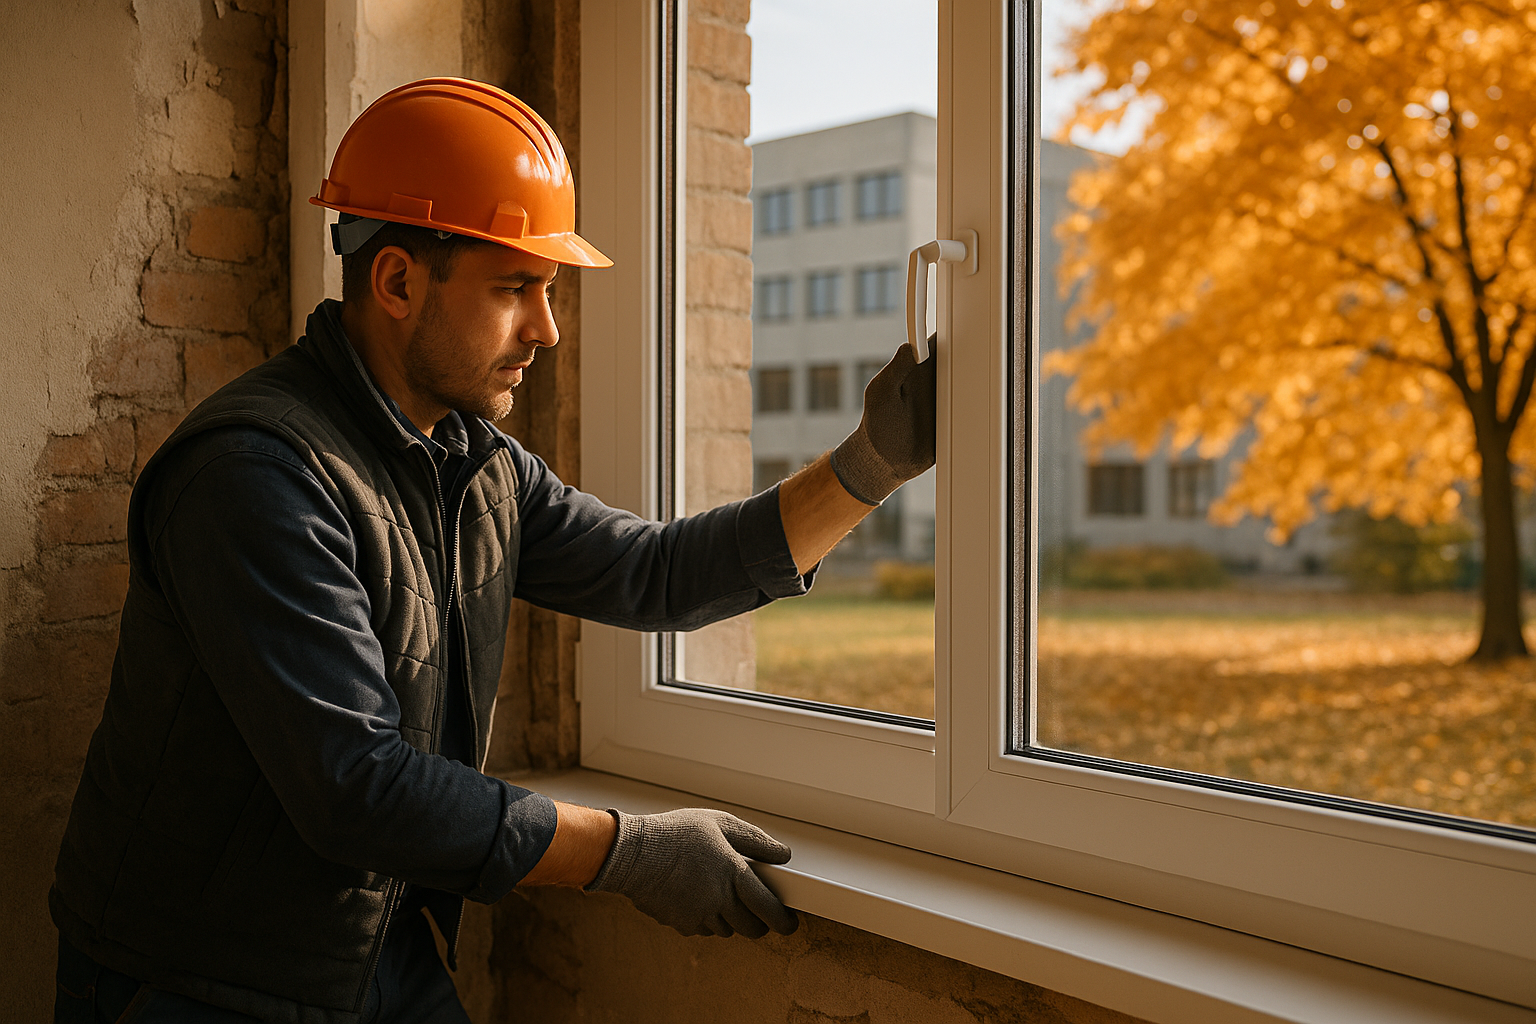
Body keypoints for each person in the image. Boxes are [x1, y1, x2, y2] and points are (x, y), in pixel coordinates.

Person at [50, 78, 936, 1023]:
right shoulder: (254, 477)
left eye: (546, 291)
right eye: (516, 288)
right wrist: (625, 851)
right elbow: (357, 785)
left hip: (374, 949)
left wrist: (868, 465)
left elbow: (656, 573)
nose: (546, 331)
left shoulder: (473, 463)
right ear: (396, 282)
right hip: (200, 980)